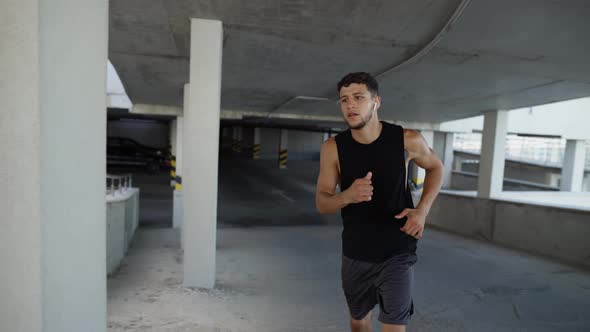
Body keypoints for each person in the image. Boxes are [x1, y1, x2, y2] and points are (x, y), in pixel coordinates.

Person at [316, 72, 443, 332]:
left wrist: (422, 211)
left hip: (398, 249)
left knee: (395, 326)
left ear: (376, 102)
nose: (350, 105)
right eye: (344, 99)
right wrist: (348, 195)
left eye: (358, 98)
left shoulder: (407, 139)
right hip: (355, 252)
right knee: (359, 322)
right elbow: (322, 202)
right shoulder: (333, 148)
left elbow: (436, 168)